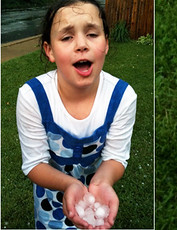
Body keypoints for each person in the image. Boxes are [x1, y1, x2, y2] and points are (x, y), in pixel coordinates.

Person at [16, 0, 137, 229]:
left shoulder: (122, 96)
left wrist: (103, 182)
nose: (82, 44)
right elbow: (34, 163)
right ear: (49, 50)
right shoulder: (33, 96)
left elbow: (116, 156)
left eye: (92, 34)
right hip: (50, 194)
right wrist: (70, 185)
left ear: (107, 44)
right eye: (66, 37)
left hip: (96, 196)